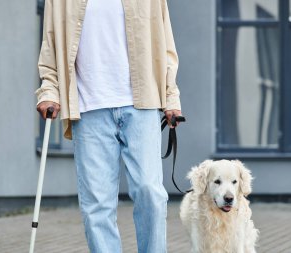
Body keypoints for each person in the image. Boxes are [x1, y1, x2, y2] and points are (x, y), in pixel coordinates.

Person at [36, 0, 182, 252]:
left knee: (151, 193)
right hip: (88, 107)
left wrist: (171, 97)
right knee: (97, 205)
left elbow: (165, 45)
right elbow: (50, 47)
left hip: (142, 103)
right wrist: (48, 91)